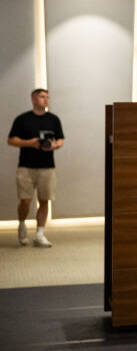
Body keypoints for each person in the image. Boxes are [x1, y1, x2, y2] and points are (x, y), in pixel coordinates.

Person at [8, 88, 64, 247]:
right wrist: (29, 143)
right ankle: (22, 224)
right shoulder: (22, 119)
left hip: (47, 167)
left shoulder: (54, 119)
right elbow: (11, 140)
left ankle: (40, 234)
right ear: (33, 100)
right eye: (42, 97)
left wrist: (55, 145)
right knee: (25, 201)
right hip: (26, 167)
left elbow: (61, 140)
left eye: (47, 97)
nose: (45, 100)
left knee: (44, 201)